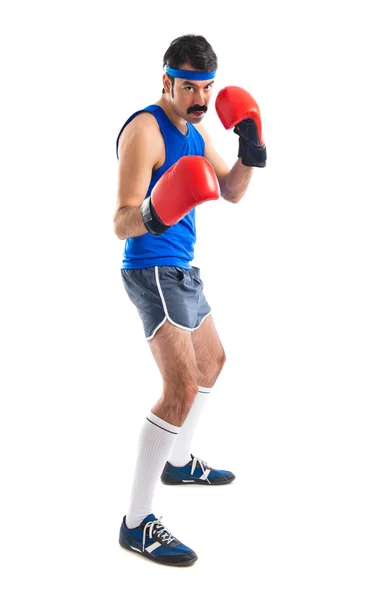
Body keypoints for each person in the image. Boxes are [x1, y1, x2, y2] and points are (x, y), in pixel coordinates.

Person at [114, 34, 266, 567]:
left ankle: (178, 463)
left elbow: (232, 191)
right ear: (165, 81)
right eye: (188, 87)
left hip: (183, 270)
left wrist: (251, 146)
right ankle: (136, 523)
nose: (200, 98)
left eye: (207, 87)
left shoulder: (196, 130)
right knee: (179, 387)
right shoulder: (145, 131)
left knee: (214, 362)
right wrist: (160, 209)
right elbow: (121, 222)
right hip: (151, 271)